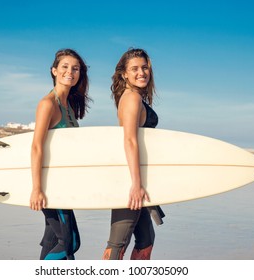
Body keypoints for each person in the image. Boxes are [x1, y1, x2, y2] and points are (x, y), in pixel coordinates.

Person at [102, 48, 165, 260]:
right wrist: (136, 185)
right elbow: (129, 140)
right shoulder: (131, 98)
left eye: (145, 67)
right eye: (135, 69)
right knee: (118, 243)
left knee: (146, 240)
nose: (142, 72)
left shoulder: (134, 97)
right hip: (130, 182)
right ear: (124, 74)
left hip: (137, 178)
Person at [30, 48, 91, 260]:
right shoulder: (48, 104)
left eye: (75, 69)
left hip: (64, 183)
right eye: (65, 67)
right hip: (51, 186)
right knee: (70, 243)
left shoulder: (69, 106)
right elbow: (37, 146)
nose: (70, 72)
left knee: (53, 241)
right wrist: (37, 189)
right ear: (54, 71)